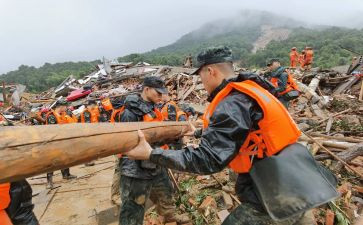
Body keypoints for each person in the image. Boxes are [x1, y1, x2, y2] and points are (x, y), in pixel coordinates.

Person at [123, 46, 338, 225]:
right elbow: (248, 131)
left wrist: (151, 154)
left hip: (277, 190)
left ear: (210, 71)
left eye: (200, 76)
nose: (201, 82)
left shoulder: (232, 102)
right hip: (299, 177)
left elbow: (208, 160)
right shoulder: (252, 88)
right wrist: (199, 132)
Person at [117, 76, 189, 225]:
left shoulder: (154, 108)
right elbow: (129, 143)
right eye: (158, 93)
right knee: (133, 206)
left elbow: (157, 134)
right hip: (135, 168)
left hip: (154, 160)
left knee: (165, 193)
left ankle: (169, 217)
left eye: (163, 93)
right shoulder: (130, 112)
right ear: (147, 89)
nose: (161, 97)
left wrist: (173, 136)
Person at [45, 100, 77, 189]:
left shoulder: (63, 115)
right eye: (65, 106)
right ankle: (49, 182)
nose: (66, 108)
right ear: (61, 106)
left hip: (63, 140)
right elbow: (52, 131)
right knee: (53, 161)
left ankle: (66, 174)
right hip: (54, 142)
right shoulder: (51, 116)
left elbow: (71, 125)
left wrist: (71, 116)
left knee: (65, 158)